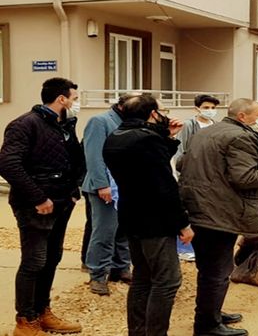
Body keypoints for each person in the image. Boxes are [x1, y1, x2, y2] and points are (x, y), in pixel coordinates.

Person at [179, 98, 258, 336]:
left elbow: (181, 162)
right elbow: (244, 178)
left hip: (198, 207)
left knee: (210, 268)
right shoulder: (241, 137)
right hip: (219, 211)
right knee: (217, 271)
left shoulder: (208, 131)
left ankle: (212, 313)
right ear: (242, 116)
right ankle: (208, 325)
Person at [102, 94, 194, 336]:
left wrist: (169, 137)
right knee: (167, 280)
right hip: (156, 219)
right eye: (162, 110)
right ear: (152, 113)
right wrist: (183, 223)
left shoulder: (116, 137)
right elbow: (164, 184)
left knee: (143, 277)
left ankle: (138, 330)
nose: (165, 115)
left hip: (131, 215)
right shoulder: (147, 140)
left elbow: (148, 165)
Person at [0, 77, 84, 336]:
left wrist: (73, 192)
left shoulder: (64, 125)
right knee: (34, 261)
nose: (75, 104)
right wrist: (38, 198)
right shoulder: (25, 125)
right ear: (62, 99)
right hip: (34, 206)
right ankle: (25, 321)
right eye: (74, 98)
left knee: (51, 259)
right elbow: (8, 164)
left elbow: (74, 161)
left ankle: (42, 311)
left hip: (61, 203)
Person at [82, 95, 134, 295]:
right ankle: (97, 274)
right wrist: (102, 185)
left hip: (125, 186)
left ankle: (121, 267)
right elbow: (93, 155)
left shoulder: (129, 122)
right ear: (122, 105)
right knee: (104, 231)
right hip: (104, 187)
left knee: (123, 231)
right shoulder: (100, 121)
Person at [173, 94, 220, 262]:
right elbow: (180, 149)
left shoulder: (216, 126)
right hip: (189, 175)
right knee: (187, 211)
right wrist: (180, 173)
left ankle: (200, 247)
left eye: (213, 108)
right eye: (206, 107)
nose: (210, 111)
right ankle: (183, 248)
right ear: (197, 108)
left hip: (209, 177)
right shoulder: (188, 125)